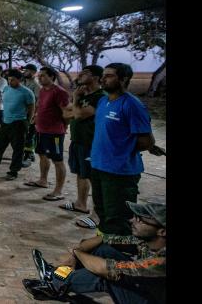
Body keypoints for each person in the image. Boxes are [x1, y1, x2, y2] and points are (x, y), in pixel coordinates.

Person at [23, 201, 166, 304]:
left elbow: (107, 269)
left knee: (106, 276)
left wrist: (76, 253)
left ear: (162, 231)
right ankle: (57, 278)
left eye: (140, 219)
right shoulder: (144, 240)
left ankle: (55, 282)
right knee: (103, 250)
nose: (132, 220)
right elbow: (103, 239)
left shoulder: (161, 261)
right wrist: (76, 252)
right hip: (147, 288)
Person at [89, 63, 162, 235]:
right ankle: (104, 249)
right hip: (99, 167)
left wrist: (121, 149)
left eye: (109, 76)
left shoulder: (132, 105)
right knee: (103, 213)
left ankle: (118, 255)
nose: (103, 79)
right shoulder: (103, 101)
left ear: (123, 79)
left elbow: (146, 141)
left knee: (118, 218)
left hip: (119, 173)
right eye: (103, 75)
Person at [59, 65, 106, 223]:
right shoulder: (84, 95)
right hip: (77, 140)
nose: (80, 75)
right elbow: (66, 112)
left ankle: (97, 215)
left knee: (94, 179)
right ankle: (81, 204)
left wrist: (76, 101)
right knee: (81, 173)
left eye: (85, 73)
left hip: (91, 143)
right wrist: (76, 106)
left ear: (96, 77)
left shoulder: (100, 96)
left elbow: (78, 115)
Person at [0, 68, 35, 180]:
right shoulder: (6, 89)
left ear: (20, 80)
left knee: (18, 149)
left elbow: (31, 109)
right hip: (6, 122)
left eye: (13, 80)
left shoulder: (27, 92)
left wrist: (27, 122)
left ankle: (13, 172)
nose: (10, 82)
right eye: (9, 79)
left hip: (19, 123)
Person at [24, 66, 70, 201]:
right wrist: (36, 117)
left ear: (52, 77)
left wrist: (64, 127)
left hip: (54, 132)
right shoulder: (43, 90)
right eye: (40, 75)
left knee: (58, 160)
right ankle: (42, 180)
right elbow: (40, 106)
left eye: (43, 75)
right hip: (41, 129)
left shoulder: (59, 92)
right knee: (42, 155)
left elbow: (66, 113)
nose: (40, 77)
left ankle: (58, 191)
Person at [21, 64, 41, 167]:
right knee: (24, 135)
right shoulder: (23, 82)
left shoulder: (36, 85)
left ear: (33, 72)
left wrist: (34, 115)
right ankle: (28, 153)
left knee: (29, 136)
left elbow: (37, 102)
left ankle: (28, 156)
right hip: (21, 114)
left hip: (30, 114)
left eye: (27, 71)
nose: (24, 72)